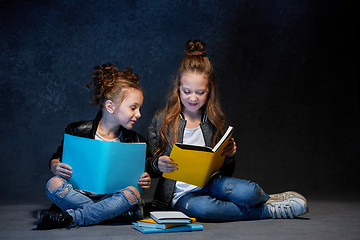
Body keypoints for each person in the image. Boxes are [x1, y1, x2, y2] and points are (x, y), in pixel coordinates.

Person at [146, 40, 308, 221]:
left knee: (250, 191)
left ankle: (265, 199)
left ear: (209, 91)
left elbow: (226, 171)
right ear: (178, 89)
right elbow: (148, 167)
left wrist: (229, 156)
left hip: (212, 183)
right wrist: (157, 164)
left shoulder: (215, 120)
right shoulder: (162, 120)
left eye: (200, 93)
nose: (193, 98)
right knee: (205, 210)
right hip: (181, 196)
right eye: (186, 91)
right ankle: (267, 211)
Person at [37, 63, 151, 230]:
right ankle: (110, 215)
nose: (139, 114)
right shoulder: (77, 130)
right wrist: (56, 166)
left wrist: (144, 179)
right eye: (133, 108)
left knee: (133, 192)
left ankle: (71, 218)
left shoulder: (136, 140)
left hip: (114, 199)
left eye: (139, 108)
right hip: (79, 195)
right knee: (53, 184)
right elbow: (57, 157)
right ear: (110, 106)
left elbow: (140, 176)